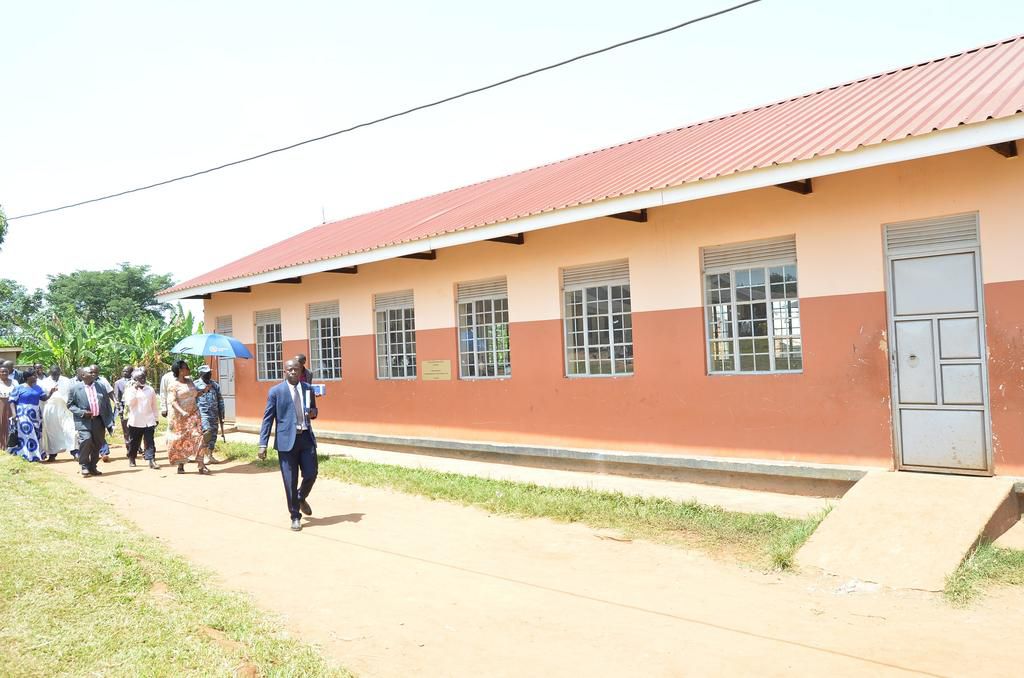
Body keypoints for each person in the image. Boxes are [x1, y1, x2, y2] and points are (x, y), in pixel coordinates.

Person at [259, 359, 318, 531]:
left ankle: (301, 497)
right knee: (289, 480)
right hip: (286, 442)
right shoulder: (276, 392)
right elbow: (267, 419)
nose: (293, 372)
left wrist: (313, 413)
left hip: (306, 438)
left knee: (311, 473)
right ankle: (295, 515)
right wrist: (263, 444)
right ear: (284, 371)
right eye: (290, 369)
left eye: (296, 369)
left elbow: (313, 411)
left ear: (301, 371)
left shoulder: (308, 389)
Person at [67, 366, 115, 477]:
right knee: (86, 440)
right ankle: (84, 465)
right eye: (90, 372)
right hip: (84, 421)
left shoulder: (101, 386)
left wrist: (109, 421)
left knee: (98, 443)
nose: (93, 374)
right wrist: (82, 412)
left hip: (98, 420)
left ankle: (92, 466)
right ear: (83, 375)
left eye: (94, 373)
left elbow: (107, 404)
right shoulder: (75, 388)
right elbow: (70, 405)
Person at [165, 360, 209, 475]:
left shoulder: (190, 382)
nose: (188, 369)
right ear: (180, 370)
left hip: (193, 416)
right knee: (181, 440)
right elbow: (173, 402)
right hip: (179, 418)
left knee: (199, 437)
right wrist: (182, 412)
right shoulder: (173, 385)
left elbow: (194, 395)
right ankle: (181, 464)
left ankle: (201, 464)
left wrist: (203, 391)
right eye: (186, 367)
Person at [9, 368, 58, 462]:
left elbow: (44, 398)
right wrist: (14, 414)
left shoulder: (38, 388)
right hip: (22, 413)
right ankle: (27, 455)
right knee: (27, 433)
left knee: (35, 434)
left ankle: (34, 455)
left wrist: (51, 393)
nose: (36, 377)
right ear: (27, 377)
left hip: (35, 414)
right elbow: (12, 401)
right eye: (34, 376)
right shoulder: (19, 388)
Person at [39, 366, 76, 462]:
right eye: (53, 374)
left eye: (57, 374)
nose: (55, 376)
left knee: (70, 429)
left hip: (64, 407)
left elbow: (71, 393)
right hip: (50, 408)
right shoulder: (44, 382)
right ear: (50, 373)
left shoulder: (66, 381)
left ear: (60, 372)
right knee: (52, 432)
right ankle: (52, 454)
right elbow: (42, 398)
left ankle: (75, 451)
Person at [124, 368, 159, 469]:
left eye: (144, 377)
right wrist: (135, 389)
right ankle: (132, 458)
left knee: (150, 441)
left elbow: (154, 406)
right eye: (140, 378)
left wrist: (156, 418)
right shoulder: (130, 390)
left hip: (149, 420)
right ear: (134, 379)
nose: (143, 380)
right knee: (134, 442)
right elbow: (130, 403)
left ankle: (151, 460)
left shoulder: (150, 389)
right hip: (136, 421)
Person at [194, 364, 225, 465]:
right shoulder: (195, 384)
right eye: (207, 373)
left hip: (214, 413)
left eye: (210, 373)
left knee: (213, 435)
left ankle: (210, 455)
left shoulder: (215, 385)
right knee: (207, 432)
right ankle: (203, 454)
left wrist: (222, 414)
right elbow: (192, 399)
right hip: (202, 414)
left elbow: (220, 399)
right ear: (201, 373)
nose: (209, 375)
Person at [113, 365, 133, 445]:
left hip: (134, 409)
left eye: (126, 371)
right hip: (124, 408)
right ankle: (128, 445)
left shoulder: (135, 381)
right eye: (123, 371)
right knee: (126, 429)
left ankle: (136, 446)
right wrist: (120, 409)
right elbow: (117, 398)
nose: (124, 373)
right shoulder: (118, 383)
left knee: (135, 429)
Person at [0, 363, 18, 453]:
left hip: (12, 405)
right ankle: (1, 446)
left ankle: (10, 446)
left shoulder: (14, 382)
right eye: (2, 372)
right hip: (0, 405)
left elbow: (18, 392)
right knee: (1, 424)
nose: (4, 373)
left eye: (6, 372)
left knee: (11, 425)